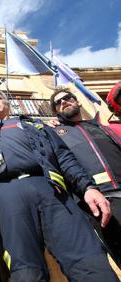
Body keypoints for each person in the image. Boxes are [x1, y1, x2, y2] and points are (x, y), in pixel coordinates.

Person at [0, 55, 118, 282]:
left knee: (87, 258)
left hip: (52, 191)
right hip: (7, 194)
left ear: (7, 104)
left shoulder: (37, 125)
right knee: (25, 267)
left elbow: (65, 159)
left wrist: (87, 188)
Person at [49, 88, 121, 265]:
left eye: (67, 98)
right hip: (103, 201)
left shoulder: (100, 126)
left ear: (78, 101)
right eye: (58, 103)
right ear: (56, 112)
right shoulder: (55, 133)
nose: (64, 102)